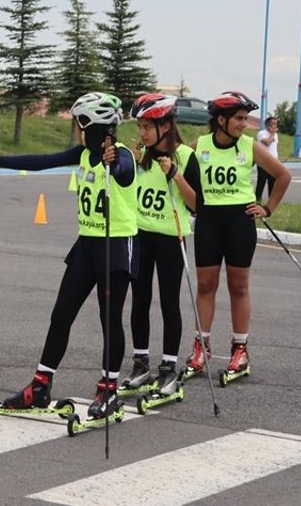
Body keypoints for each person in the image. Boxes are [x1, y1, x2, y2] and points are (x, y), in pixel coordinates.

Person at [0, 92, 136, 421]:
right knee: (61, 314)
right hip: (86, 244)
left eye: (80, 124)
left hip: (115, 245)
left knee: (109, 320)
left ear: (93, 125)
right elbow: (42, 160)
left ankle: (109, 389)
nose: (78, 130)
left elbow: (125, 172)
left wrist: (112, 163)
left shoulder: (121, 154)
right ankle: (41, 384)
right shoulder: (83, 154)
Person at [183, 91, 289, 381]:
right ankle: (200, 347)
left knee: (238, 286)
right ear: (221, 120)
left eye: (245, 118)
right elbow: (177, 168)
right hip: (208, 221)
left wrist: (267, 208)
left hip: (239, 222)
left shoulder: (249, 146)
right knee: (205, 285)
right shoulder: (200, 145)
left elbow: (283, 176)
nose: (244, 124)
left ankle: (240, 349)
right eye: (239, 119)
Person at [123, 94, 200, 397]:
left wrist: (175, 175)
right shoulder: (140, 154)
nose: (141, 132)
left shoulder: (184, 156)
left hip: (172, 236)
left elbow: (197, 205)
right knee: (139, 300)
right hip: (140, 235)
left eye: (147, 126)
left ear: (165, 126)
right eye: (140, 126)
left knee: (169, 302)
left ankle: (169, 368)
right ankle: (140, 362)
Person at [255, 116, 279, 200]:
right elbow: (267, 143)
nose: (275, 126)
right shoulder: (261, 133)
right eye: (273, 124)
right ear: (267, 124)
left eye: (276, 124)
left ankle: (271, 201)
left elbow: (274, 148)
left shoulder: (275, 135)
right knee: (261, 182)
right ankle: (257, 200)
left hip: (273, 161)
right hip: (263, 161)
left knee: (272, 182)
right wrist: (272, 133)